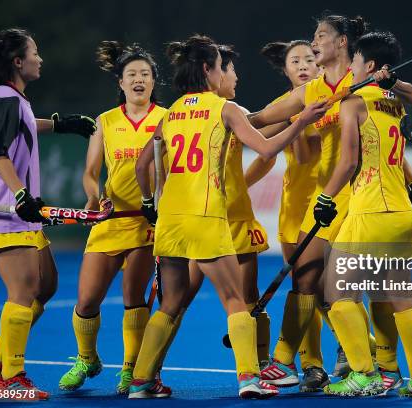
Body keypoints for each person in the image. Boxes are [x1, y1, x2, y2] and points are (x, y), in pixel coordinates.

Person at [129, 34, 327, 399]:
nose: (224, 74)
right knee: (236, 300)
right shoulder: (224, 108)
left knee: (170, 304)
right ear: (208, 70)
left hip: (170, 218)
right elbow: (266, 148)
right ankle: (250, 377)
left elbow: (144, 165)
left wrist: (148, 201)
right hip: (207, 216)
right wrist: (301, 123)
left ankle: (142, 381)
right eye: (221, 67)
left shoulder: (170, 112)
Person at [249, 13, 412, 391]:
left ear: (343, 43)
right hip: (320, 200)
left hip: (355, 196)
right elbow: (259, 118)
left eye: (321, 35)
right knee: (316, 281)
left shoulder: (360, 82)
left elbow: (404, 112)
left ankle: (294, 361)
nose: (313, 43)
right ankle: (348, 361)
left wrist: (392, 81)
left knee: (341, 282)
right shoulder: (309, 91)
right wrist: (218, 117)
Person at [0, 28, 95, 399]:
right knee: (23, 290)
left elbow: (24, 125)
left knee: (46, 286)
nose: (39, 58)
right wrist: (21, 193)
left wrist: (61, 124)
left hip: (22, 213)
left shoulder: (15, 99)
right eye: (35, 53)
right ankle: (10, 377)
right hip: (7, 211)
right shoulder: (6, 98)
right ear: (17, 62)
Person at [319, 31, 412, 398]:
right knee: (401, 296)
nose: (350, 68)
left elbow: (349, 160)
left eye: (353, 62)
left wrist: (325, 197)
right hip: (400, 213)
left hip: (370, 211)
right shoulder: (395, 102)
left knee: (336, 295)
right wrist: (394, 81)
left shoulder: (354, 102)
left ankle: (364, 375)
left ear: (368, 66)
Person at [57, 41, 166, 394]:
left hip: (146, 224)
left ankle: (130, 369)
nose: (139, 80)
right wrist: (92, 193)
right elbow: (91, 171)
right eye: (132, 74)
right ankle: (87, 358)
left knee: (134, 298)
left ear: (153, 81)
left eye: (145, 74)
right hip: (109, 220)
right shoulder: (105, 121)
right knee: (87, 300)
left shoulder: (167, 118)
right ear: (120, 82)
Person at [247, 39, 332, 391]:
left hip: (327, 206)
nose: (301, 65)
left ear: (320, 66)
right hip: (293, 208)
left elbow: (315, 148)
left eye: (308, 59)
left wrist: (297, 121)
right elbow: (261, 144)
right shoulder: (286, 107)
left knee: (326, 291)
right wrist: (234, 185)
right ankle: (313, 365)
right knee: (304, 289)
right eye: (294, 60)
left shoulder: (332, 100)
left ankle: (361, 351)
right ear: (284, 70)